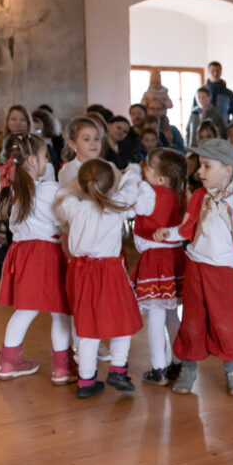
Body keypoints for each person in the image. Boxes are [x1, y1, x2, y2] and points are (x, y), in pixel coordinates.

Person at [153, 138, 233, 396]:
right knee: (192, 320)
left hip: (225, 272)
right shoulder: (199, 196)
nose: (199, 171)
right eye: (199, 165)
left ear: (227, 170)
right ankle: (188, 368)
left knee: (227, 322)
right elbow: (187, 228)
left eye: (206, 166)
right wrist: (167, 233)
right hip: (196, 267)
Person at [56, 160, 155, 398]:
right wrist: (132, 172)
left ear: (82, 186)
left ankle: (86, 381)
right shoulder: (116, 205)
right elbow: (136, 195)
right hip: (110, 271)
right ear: (111, 187)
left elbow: (62, 196)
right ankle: (118, 370)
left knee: (87, 328)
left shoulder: (74, 207)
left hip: (80, 272)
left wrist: (78, 184)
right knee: (122, 321)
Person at [0, 133, 74, 384]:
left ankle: (8, 361)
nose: (47, 162)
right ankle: (62, 367)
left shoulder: (14, 191)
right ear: (32, 160)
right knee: (60, 311)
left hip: (22, 254)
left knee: (25, 310)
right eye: (45, 156)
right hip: (47, 254)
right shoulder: (49, 190)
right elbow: (66, 218)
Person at [130, 149, 188, 386]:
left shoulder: (148, 192)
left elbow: (132, 206)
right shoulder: (181, 195)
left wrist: (132, 175)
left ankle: (158, 368)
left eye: (149, 168)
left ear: (161, 178)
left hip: (155, 259)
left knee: (155, 314)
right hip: (174, 257)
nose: (144, 169)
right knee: (172, 314)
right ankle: (178, 362)